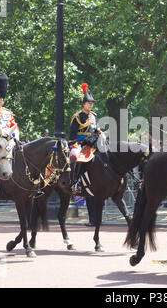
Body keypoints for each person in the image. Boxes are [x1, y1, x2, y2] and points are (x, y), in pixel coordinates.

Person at [69, 83, 98, 225]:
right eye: (88, 103)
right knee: (78, 157)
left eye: (92, 103)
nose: (91, 105)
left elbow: (95, 131)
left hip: (91, 144)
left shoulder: (93, 117)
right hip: (78, 144)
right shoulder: (77, 117)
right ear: (83, 104)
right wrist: (80, 142)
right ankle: (76, 182)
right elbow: (72, 135)